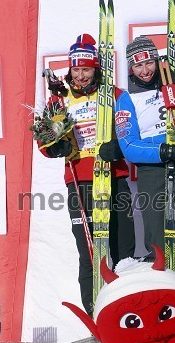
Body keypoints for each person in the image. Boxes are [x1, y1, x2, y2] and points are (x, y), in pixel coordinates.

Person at [38, 34, 135, 316]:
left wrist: (118, 146)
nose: (80, 76)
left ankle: (127, 309)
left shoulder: (115, 95)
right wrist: (57, 147)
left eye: (87, 69)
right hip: (79, 181)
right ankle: (96, 311)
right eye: (76, 70)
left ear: (97, 69)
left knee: (122, 247)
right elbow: (43, 142)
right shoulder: (59, 100)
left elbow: (130, 133)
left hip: (112, 176)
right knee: (90, 249)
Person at [114, 36, 175, 294]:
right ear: (131, 67)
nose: (145, 71)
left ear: (157, 60)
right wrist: (165, 150)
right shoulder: (126, 97)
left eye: (149, 63)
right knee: (159, 240)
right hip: (153, 171)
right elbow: (129, 147)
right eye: (138, 66)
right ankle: (162, 302)